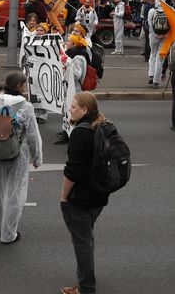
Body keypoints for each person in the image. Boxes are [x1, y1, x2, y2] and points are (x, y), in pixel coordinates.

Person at [60, 92, 112, 294]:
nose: (70, 109)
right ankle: (85, 275)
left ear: (84, 110)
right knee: (86, 236)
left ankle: (86, 287)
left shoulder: (80, 133)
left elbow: (72, 171)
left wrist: (64, 196)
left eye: (73, 107)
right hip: (100, 194)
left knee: (82, 243)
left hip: (81, 197)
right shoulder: (102, 126)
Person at [0, 71, 42, 243]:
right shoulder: (26, 106)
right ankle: (8, 234)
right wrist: (37, 156)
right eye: (24, 84)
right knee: (15, 192)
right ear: (19, 86)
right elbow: (32, 134)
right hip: (19, 152)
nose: (25, 87)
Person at [147, 0, 169, 88]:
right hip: (164, 36)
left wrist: (156, 34)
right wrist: (165, 34)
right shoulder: (168, 11)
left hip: (153, 36)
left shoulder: (152, 11)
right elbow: (171, 24)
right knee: (160, 57)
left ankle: (151, 75)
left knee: (152, 55)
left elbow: (150, 24)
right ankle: (156, 81)